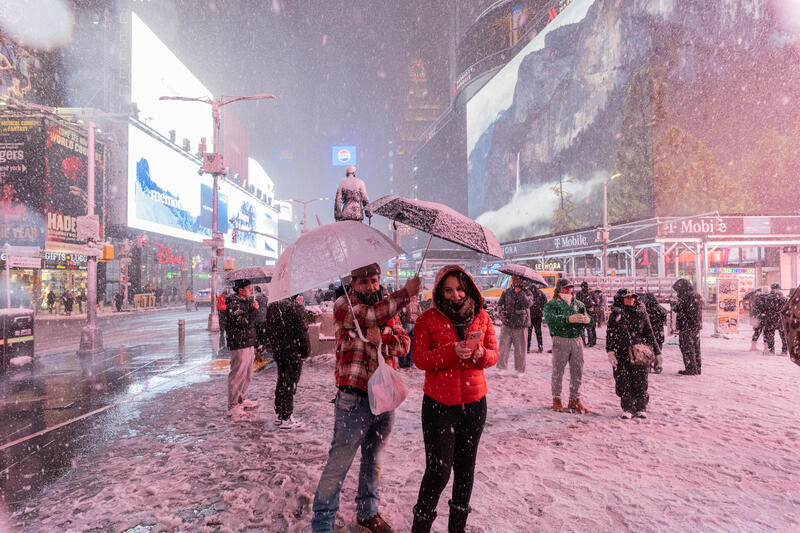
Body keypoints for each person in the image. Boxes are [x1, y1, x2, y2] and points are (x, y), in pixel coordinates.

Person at [311, 263, 419, 533]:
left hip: (384, 399)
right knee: (338, 466)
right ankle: (322, 524)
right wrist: (405, 293)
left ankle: (367, 512)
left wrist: (381, 337)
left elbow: (404, 343)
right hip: (353, 401)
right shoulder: (343, 305)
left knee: (374, 462)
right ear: (354, 284)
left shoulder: (386, 305)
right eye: (364, 282)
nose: (371, 286)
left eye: (374, 280)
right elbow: (369, 317)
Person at [410, 266, 499, 533]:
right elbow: (419, 359)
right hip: (439, 406)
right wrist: (451, 352)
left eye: (459, 288)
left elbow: (494, 355)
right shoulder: (427, 319)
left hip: (474, 404)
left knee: (465, 471)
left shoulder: (482, 317)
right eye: (448, 290)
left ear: (468, 288)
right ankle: (421, 526)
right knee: (438, 472)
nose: (455, 294)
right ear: (439, 291)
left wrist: (479, 354)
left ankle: (457, 528)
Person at [606, 289, 660, 418]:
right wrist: (610, 351)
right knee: (623, 381)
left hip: (639, 352)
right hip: (621, 352)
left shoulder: (642, 313)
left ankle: (641, 407)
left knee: (640, 380)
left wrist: (657, 352)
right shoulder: (615, 315)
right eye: (627, 298)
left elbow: (649, 333)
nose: (630, 299)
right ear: (621, 299)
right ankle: (628, 408)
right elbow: (610, 335)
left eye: (632, 297)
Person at [543, 278, 593, 413]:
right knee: (558, 370)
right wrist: (567, 319)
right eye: (565, 288)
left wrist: (587, 320)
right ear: (559, 289)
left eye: (569, 287)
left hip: (577, 339)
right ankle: (557, 397)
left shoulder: (579, 304)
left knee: (577, 370)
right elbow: (550, 320)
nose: (567, 290)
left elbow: (590, 321)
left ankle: (574, 399)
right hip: (561, 339)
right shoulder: (552, 304)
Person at [263, 294, 310, 428]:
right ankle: (286, 417)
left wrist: (275, 347)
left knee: (282, 381)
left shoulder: (272, 306)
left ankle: (279, 413)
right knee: (290, 383)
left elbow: (268, 331)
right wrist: (305, 351)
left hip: (280, 352)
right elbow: (302, 331)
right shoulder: (295, 307)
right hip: (294, 351)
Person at [224, 279, 261, 417]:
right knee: (237, 374)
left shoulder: (246, 302)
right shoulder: (233, 303)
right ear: (240, 290)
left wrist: (252, 307)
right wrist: (252, 309)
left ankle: (242, 398)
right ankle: (233, 404)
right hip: (239, 342)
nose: (250, 290)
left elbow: (251, 321)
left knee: (247, 374)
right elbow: (241, 322)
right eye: (248, 288)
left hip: (248, 341)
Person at [495, 274, 534, 374]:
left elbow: (528, 304)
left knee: (520, 349)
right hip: (507, 323)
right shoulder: (507, 292)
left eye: (516, 278)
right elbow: (499, 304)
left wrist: (520, 293)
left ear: (521, 280)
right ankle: (501, 367)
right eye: (513, 278)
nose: (514, 280)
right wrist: (501, 311)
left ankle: (520, 370)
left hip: (521, 324)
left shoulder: (527, 292)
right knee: (503, 347)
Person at [671, 278, 703, 375]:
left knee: (686, 347)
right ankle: (697, 367)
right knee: (696, 347)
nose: (677, 292)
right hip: (696, 325)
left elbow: (678, 308)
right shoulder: (696, 295)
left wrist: (673, 305)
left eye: (678, 290)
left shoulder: (686, 296)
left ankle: (690, 368)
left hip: (686, 326)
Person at [638, 291, 667, 373]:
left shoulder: (643, 308)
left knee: (647, 349)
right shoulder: (660, 308)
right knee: (658, 349)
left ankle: (648, 365)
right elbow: (664, 318)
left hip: (647, 333)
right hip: (658, 333)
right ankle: (657, 365)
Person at [762, 283, 788, 355]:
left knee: (770, 334)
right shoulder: (784, 298)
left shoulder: (767, 298)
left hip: (770, 318)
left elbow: (764, 309)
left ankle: (771, 350)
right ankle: (784, 351)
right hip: (781, 319)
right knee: (783, 335)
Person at [397, 295, 422, 368]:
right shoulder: (416, 303)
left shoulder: (403, 303)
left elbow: (399, 314)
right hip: (414, 323)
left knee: (404, 343)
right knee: (411, 344)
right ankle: (409, 362)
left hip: (406, 323)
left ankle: (403, 362)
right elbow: (420, 313)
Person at [527, 284, 547, 353]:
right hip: (538, 315)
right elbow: (545, 303)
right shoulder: (540, 293)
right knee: (538, 332)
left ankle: (527, 347)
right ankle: (540, 346)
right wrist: (541, 308)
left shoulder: (527, 293)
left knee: (529, 332)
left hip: (529, 315)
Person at [576, 281, 597, 347]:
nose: (584, 288)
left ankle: (589, 342)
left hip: (588, 312)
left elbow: (596, 303)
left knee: (588, 328)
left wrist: (593, 307)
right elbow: (577, 303)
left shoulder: (590, 293)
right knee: (586, 328)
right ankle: (586, 342)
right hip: (583, 312)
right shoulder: (579, 294)